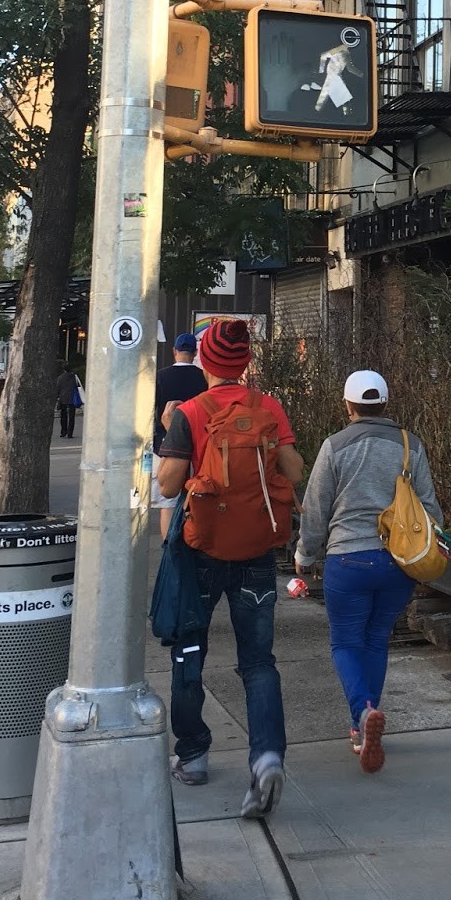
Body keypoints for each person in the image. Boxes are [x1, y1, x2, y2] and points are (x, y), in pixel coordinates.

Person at [155, 317, 304, 818]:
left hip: (201, 550)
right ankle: (266, 757)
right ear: (245, 362)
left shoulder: (190, 413)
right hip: (257, 552)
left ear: (204, 361)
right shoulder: (269, 408)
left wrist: (169, 436)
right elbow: (295, 470)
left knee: (188, 650)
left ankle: (193, 754)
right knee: (259, 661)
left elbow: (170, 485)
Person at [294, 370, 441, 774]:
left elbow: (317, 507)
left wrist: (305, 554)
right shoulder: (411, 445)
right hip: (397, 563)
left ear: (348, 405)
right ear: (385, 405)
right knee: (376, 641)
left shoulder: (335, 446)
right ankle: (363, 726)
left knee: (345, 643)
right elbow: (430, 507)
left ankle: (362, 715)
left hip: (349, 560)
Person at [151, 331, 207, 539]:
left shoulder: (160, 376)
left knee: (167, 503)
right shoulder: (204, 378)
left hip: (163, 445)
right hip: (198, 445)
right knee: (195, 497)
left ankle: (168, 547)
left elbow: (150, 410)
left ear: (174, 351)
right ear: (194, 353)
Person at [55, 364, 81, 439]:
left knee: (63, 415)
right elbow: (78, 387)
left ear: (64, 370)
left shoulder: (60, 378)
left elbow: (58, 388)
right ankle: (70, 433)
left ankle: (63, 431)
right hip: (72, 398)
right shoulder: (74, 377)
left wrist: (57, 397)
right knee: (71, 416)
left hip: (63, 398)